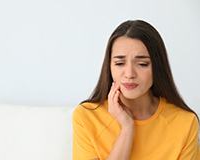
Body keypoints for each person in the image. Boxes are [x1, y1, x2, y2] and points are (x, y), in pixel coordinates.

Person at [72, 20, 200, 160]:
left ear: (157, 67)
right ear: (109, 67)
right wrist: (127, 129)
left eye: (142, 64)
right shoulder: (86, 117)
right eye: (120, 63)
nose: (129, 74)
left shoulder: (185, 123)